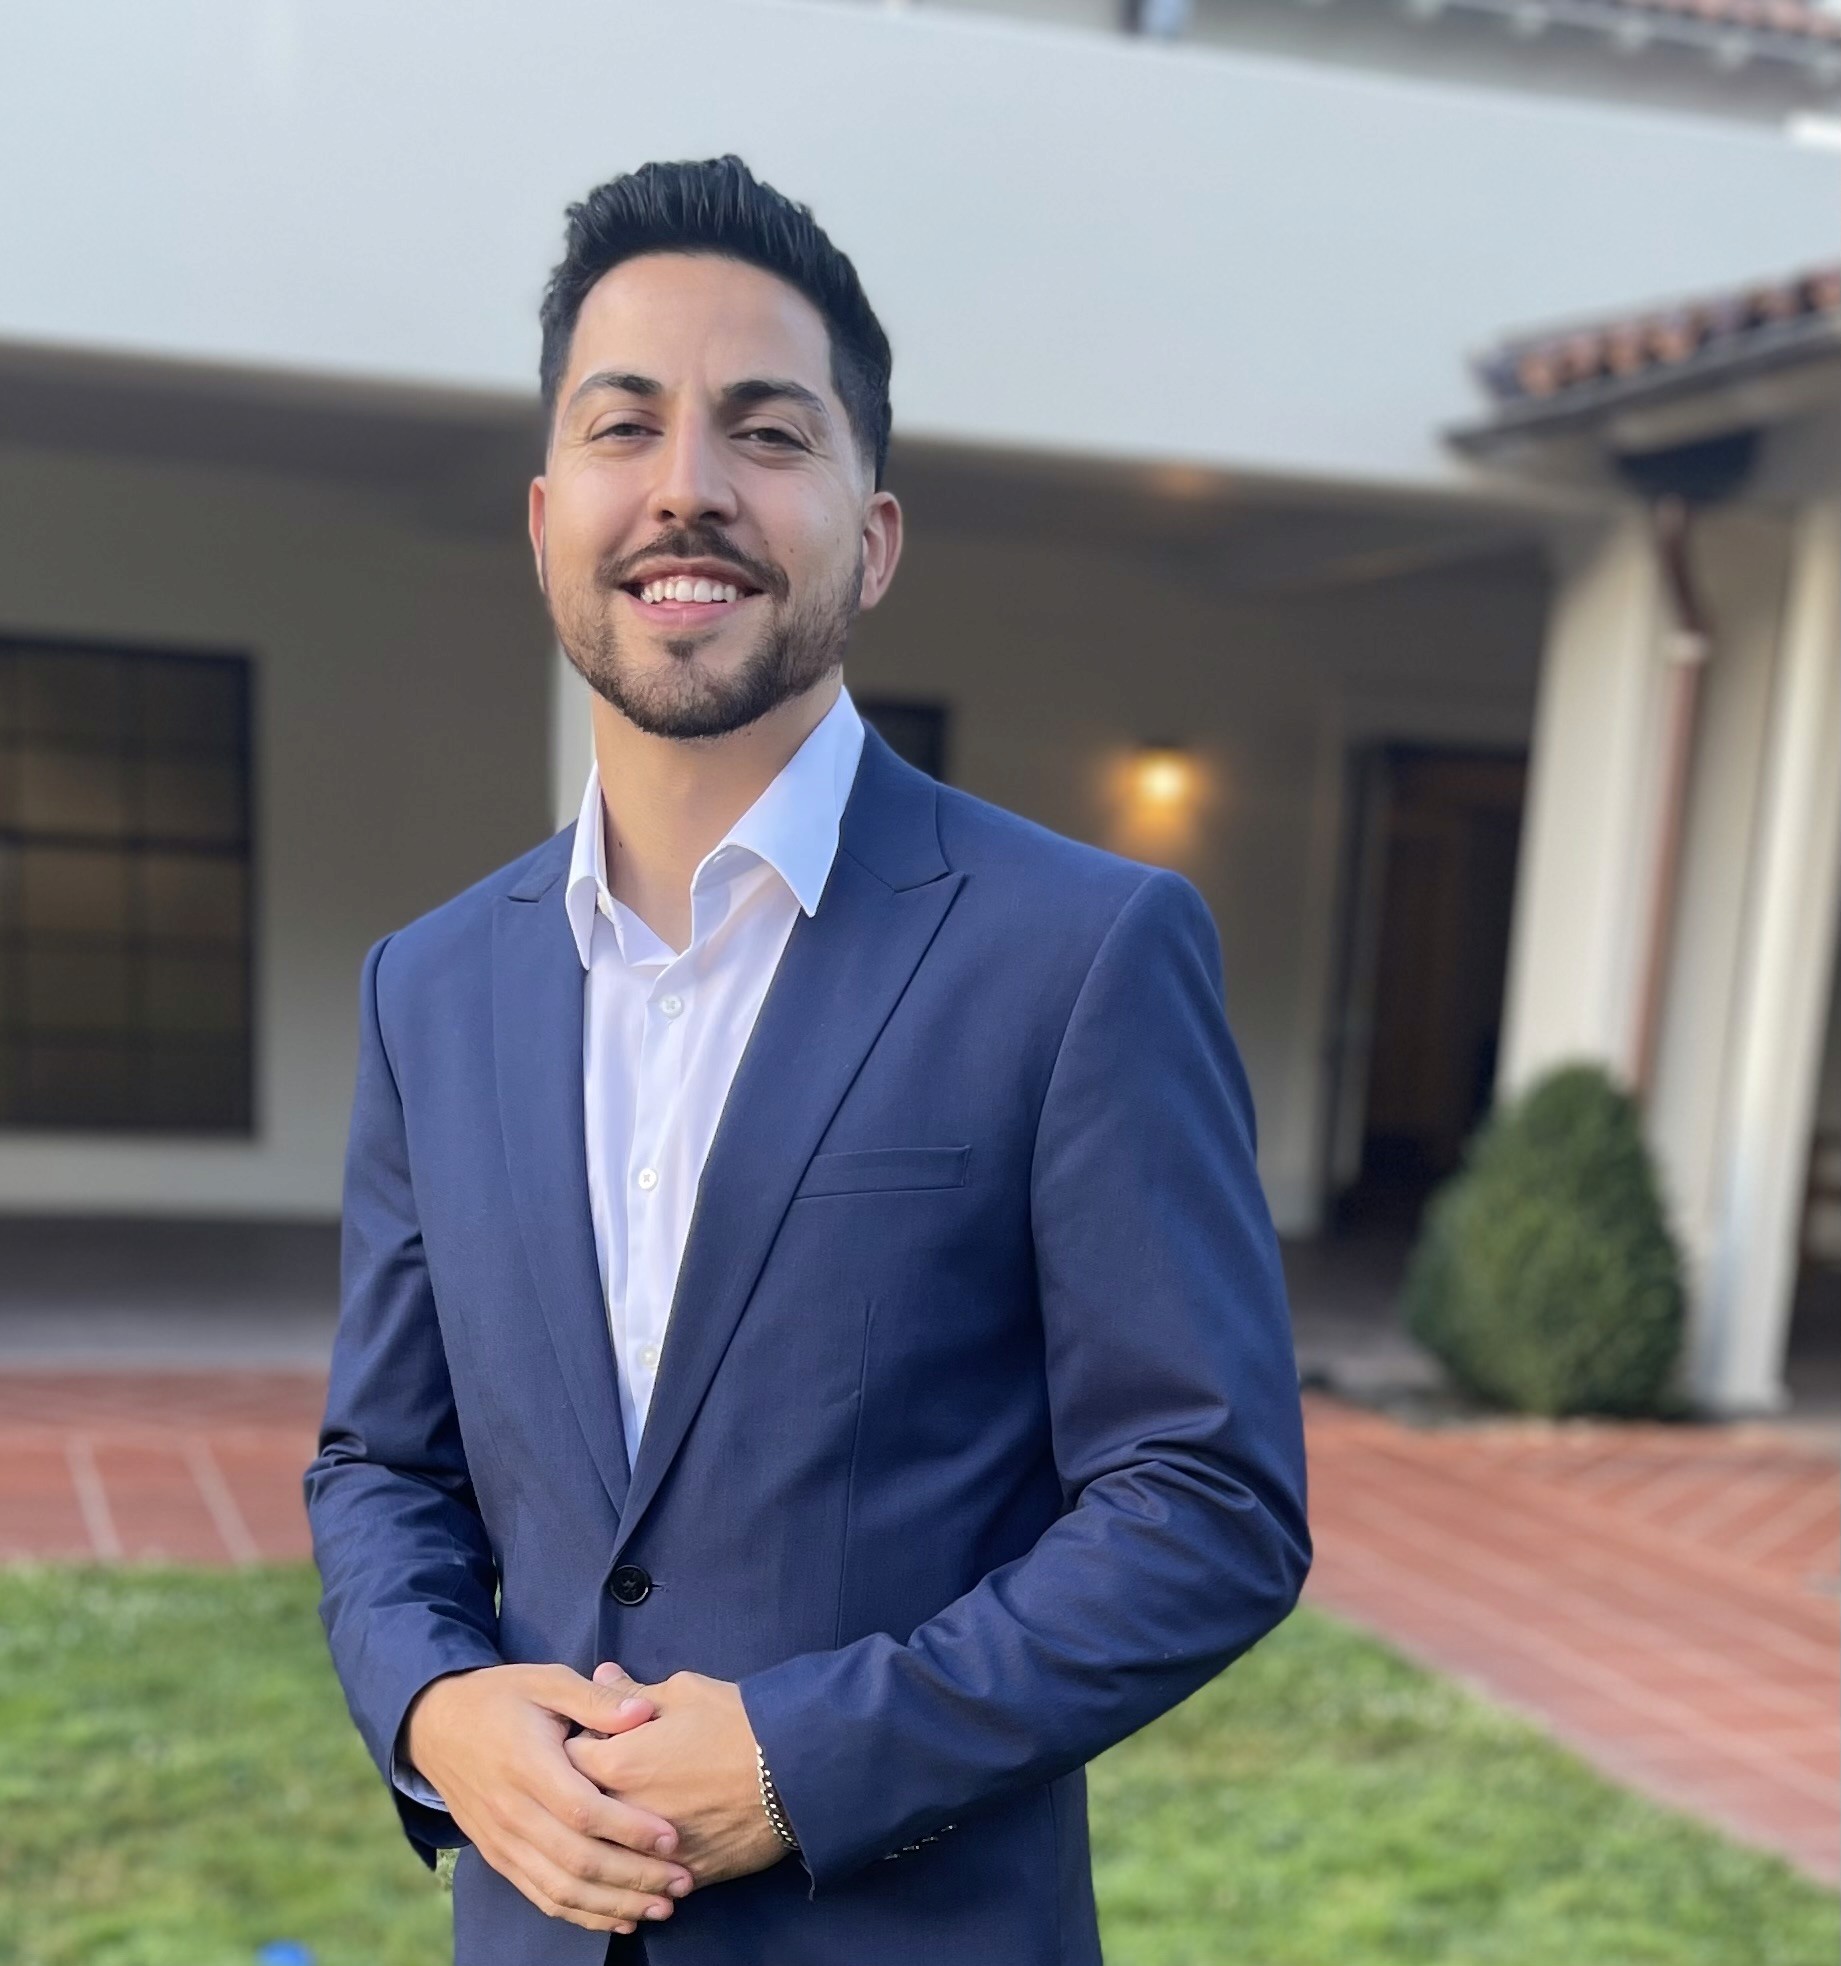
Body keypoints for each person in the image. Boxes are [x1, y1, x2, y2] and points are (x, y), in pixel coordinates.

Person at [305, 154, 1310, 1966]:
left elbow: (1205, 1499)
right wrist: (436, 1712)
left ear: (873, 528)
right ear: (545, 517)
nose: (686, 487)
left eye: (766, 431)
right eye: (628, 426)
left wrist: (798, 1755)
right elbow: (382, 1461)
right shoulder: (426, 987)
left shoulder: (1079, 953)